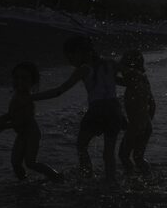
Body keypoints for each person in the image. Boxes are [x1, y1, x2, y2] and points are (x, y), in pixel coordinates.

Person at [37, 36, 123, 181]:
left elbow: (59, 91)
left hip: (97, 111)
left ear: (81, 52)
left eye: (71, 56)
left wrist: (33, 97)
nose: (70, 61)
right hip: (115, 110)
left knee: (82, 145)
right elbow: (128, 79)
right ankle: (111, 184)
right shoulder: (110, 63)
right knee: (109, 154)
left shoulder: (84, 69)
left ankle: (87, 175)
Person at [0, 62, 62, 181]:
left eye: (24, 78)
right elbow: (12, 114)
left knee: (30, 162)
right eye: (16, 77)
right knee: (15, 162)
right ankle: (24, 182)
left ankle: (57, 177)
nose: (20, 81)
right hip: (22, 134)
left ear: (33, 81)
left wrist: (4, 126)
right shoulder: (17, 95)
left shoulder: (27, 98)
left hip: (31, 134)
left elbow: (22, 121)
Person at [116, 50, 155, 174]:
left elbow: (119, 76)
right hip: (147, 124)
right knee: (138, 158)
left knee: (123, 155)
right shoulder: (143, 79)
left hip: (135, 125)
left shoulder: (132, 75)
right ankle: (149, 177)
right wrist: (146, 121)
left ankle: (132, 181)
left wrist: (107, 71)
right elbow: (153, 104)